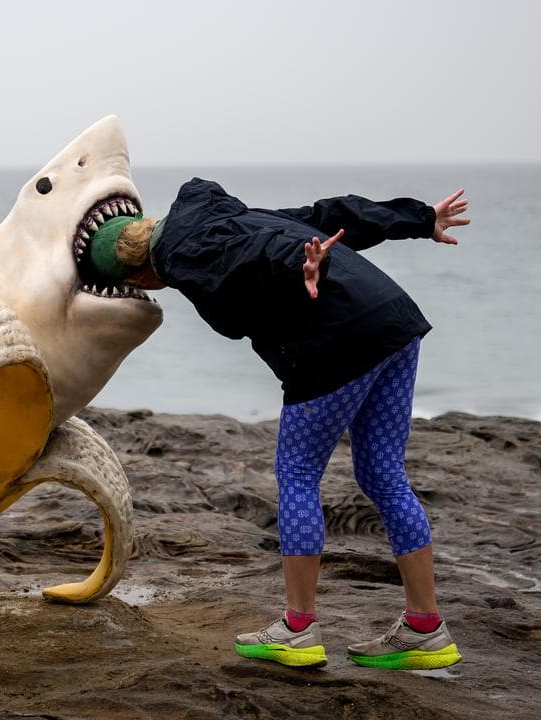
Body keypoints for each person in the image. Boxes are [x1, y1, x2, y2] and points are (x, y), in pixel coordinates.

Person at [88, 178, 470, 670]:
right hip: (393, 320)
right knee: (383, 475)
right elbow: (327, 215)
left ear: (138, 276)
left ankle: (297, 630)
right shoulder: (225, 214)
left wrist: (302, 269)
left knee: (297, 474)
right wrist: (418, 218)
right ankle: (424, 629)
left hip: (337, 342)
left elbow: (262, 258)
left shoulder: (187, 259)